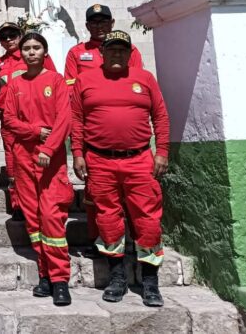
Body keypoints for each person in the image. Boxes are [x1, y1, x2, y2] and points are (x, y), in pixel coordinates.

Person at [71, 30, 170, 307]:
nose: (117, 54)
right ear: (102, 53)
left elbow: (160, 116)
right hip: (99, 161)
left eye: (122, 50)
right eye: (112, 49)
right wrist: (77, 154)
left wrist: (161, 151)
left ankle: (150, 283)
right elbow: (76, 120)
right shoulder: (85, 80)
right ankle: (118, 279)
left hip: (139, 160)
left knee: (148, 220)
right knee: (107, 219)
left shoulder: (145, 78)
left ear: (130, 53)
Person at [64, 4, 143, 257]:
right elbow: (70, 93)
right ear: (87, 26)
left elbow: (138, 82)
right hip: (91, 134)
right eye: (94, 23)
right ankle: (96, 237)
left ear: (112, 23)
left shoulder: (129, 50)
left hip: (126, 136)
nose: (99, 26)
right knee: (94, 191)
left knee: (131, 193)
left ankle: (130, 238)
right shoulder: (77, 53)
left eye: (103, 21)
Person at [2, 32, 73, 306]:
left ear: (45, 51)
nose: (31, 52)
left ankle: (60, 279)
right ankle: (44, 274)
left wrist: (47, 148)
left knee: (52, 218)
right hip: (23, 158)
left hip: (50, 160)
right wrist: (34, 131)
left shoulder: (55, 81)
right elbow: (8, 119)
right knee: (33, 221)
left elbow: (64, 119)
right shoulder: (16, 84)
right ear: (21, 53)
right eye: (27, 48)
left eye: (36, 47)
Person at [0, 21, 56, 220]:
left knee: (36, 161)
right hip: (10, 120)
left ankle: (42, 201)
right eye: (4, 36)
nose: (9, 39)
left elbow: (53, 81)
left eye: (13, 34)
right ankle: (18, 204)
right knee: (12, 163)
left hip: (34, 119)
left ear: (20, 36)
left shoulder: (33, 56)